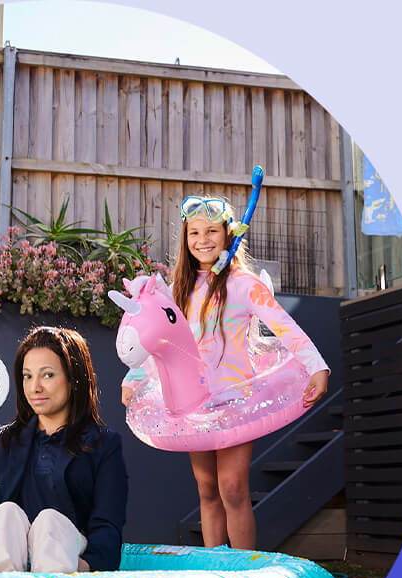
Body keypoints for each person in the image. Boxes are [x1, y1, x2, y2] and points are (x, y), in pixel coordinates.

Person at [121, 196, 329, 550]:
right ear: (185, 239)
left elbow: (284, 326)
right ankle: (212, 565)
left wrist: (317, 366)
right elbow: (161, 342)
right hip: (195, 404)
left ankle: (244, 571)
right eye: (194, 232)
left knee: (233, 487)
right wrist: (134, 379)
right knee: (206, 488)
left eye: (212, 231)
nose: (203, 240)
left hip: (235, 400)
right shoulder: (176, 292)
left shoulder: (244, 284)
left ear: (228, 234)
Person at [0, 326, 128, 573]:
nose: (35, 387)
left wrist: (84, 567)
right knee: (6, 513)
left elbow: (107, 526)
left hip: (64, 564)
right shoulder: (3, 441)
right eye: (27, 376)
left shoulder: (103, 445)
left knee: (50, 522)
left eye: (47, 375)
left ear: (74, 379)